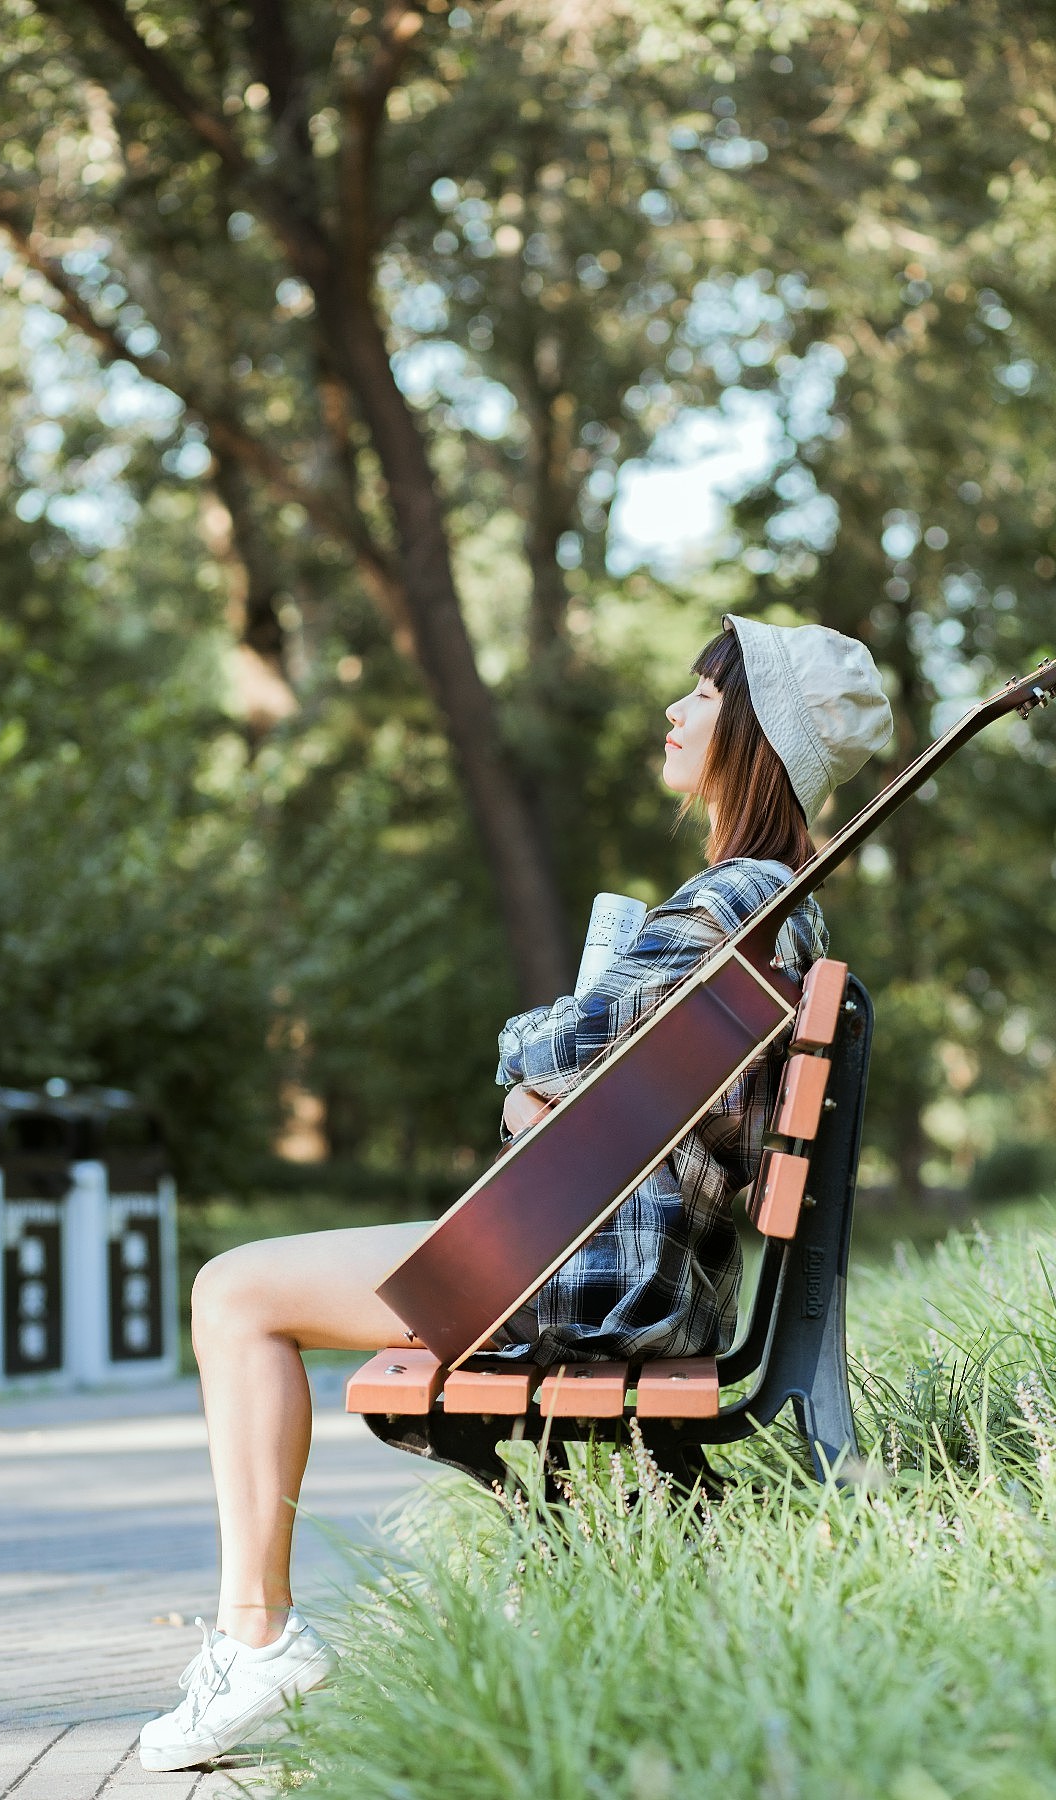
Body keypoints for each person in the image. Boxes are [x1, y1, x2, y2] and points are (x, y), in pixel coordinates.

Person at [138, 614, 892, 1773]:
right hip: (612, 1260)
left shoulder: (730, 901)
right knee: (241, 1287)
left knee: (234, 1292)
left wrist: (532, 1059)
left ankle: (257, 1640)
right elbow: (604, 1081)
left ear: (755, 736)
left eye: (702, 696)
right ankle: (255, 1640)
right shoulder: (775, 904)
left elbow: (561, 1051)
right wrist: (551, 1088)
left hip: (582, 1275)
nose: (676, 713)